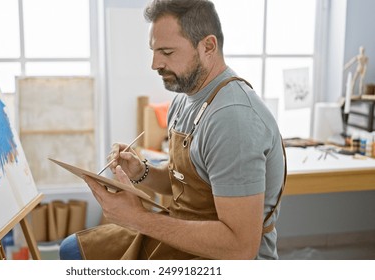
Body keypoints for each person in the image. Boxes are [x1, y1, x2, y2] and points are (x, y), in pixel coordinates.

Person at [59, 0, 286, 260]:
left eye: (167, 52)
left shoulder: (233, 119)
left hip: (221, 256)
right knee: (72, 250)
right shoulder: (183, 98)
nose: (155, 64)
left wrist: (138, 219)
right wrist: (142, 172)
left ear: (208, 46)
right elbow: (188, 183)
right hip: (184, 233)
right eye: (154, 51)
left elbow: (239, 248)